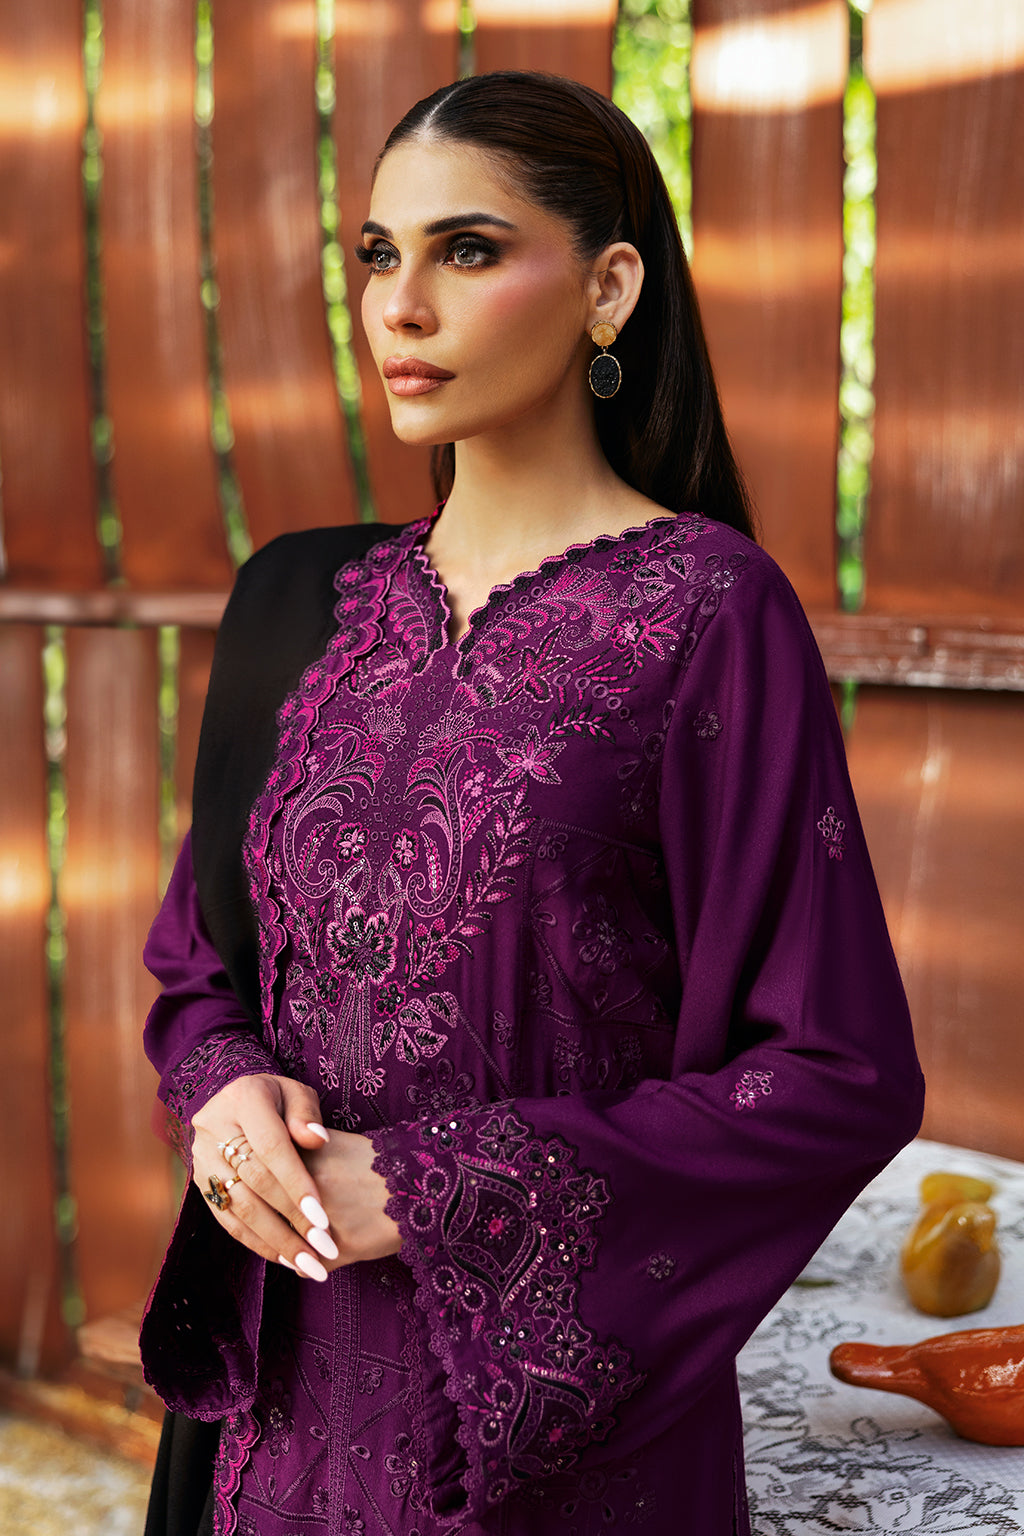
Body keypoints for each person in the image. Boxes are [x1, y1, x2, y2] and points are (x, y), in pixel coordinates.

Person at [140, 70, 923, 1536]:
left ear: (609, 288)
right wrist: (224, 1089)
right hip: (277, 1433)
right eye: (380, 253)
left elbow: (835, 1071)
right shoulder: (301, 608)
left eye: (469, 250)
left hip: (554, 1460)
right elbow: (201, 967)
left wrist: (438, 1189)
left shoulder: (705, 613)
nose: (400, 306)